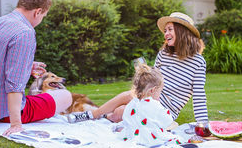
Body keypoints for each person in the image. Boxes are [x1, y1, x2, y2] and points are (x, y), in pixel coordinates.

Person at [68, 12, 208, 124]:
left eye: (170, 30)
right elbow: (153, 80)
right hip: (149, 96)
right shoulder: (164, 54)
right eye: (165, 31)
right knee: (125, 102)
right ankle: (94, 115)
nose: (166, 34)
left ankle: (100, 116)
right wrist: (144, 74)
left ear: (182, 31)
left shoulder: (198, 62)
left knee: (121, 111)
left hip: (166, 110)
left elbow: (199, 96)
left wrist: (203, 124)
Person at [0, 0, 72, 136]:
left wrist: (26, 66)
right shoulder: (25, 32)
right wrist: (16, 124)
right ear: (37, 12)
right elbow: (14, 84)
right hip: (1, 111)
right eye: (43, 15)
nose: (41, 19)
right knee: (66, 96)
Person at [115, 63, 175, 147]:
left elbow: (126, 119)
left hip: (130, 136)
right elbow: (167, 120)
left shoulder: (133, 103)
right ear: (153, 90)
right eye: (160, 92)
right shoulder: (155, 106)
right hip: (149, 138)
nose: (160, 95)